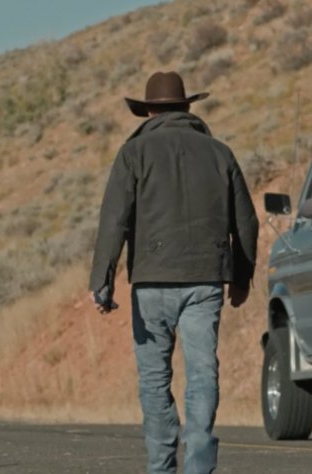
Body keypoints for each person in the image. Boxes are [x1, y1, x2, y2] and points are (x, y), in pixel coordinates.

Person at [89, 71, 258, 474]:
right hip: (205, 281)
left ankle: (161, 467)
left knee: (153, 381)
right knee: (202, 373)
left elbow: (114, 219)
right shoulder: (220, 153)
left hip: (151, 282)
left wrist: (102, 279)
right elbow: (246, 222)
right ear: (187, 108)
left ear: (148, 111)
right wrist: (241, 278)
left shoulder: (134, 154)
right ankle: (199, 463)